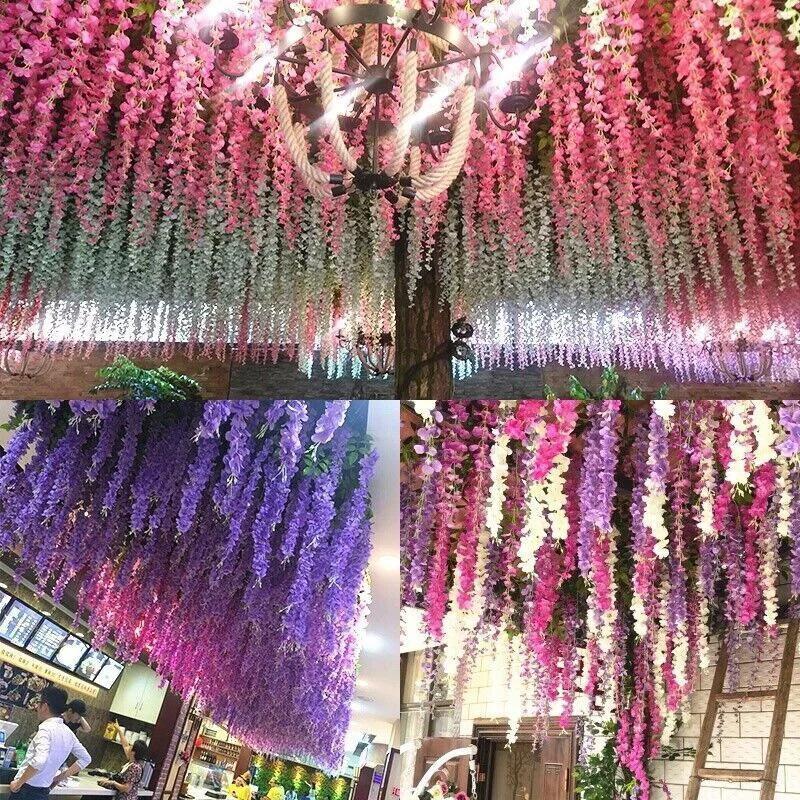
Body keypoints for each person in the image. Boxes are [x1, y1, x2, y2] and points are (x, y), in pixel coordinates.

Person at [9, 686, 92, 800]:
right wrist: (58, 779)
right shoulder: (69, 733)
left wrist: (18, 784)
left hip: (26, 791)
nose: (37, 707)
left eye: (39, 703)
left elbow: (39, 760)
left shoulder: (46, 729)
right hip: (44, 791)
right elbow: (86, 759)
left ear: (44, 706)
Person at [97, 725, 148, 800]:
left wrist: (113, 782)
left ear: (133, 752)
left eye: (131, 746)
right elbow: (125, 745)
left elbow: (127, 788)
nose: (129, 746)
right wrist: (119, 730)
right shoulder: (132, 761)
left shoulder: (135, 767)